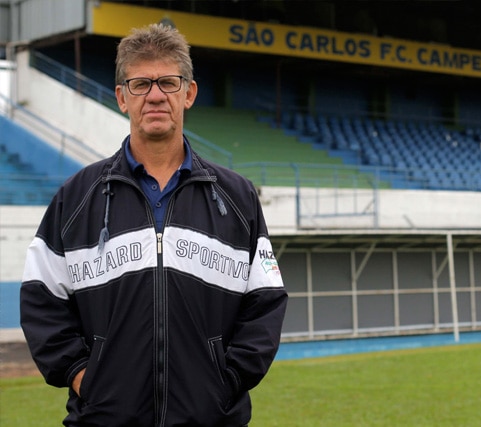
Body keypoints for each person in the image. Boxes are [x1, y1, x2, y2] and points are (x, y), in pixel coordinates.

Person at [20, 23, 288, 427]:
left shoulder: (238, 197)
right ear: (122, 98)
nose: (156, 95)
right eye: (141, 84)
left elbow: (265, 304)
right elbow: (41, 300)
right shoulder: (76, 198)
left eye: (168, 82)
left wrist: (227, 379)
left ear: (189, 93)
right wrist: (83, 378)